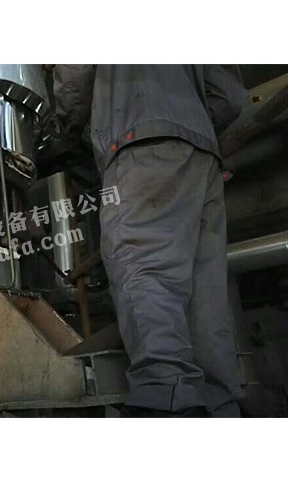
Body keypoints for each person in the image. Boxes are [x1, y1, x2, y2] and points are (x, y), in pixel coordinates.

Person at [52, 65, 248, 417]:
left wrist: (69, 128)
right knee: (206, 295)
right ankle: (220, 406)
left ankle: (167, 400)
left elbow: (74, 75)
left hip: (138, 145)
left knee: (143, 267)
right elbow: (232, 97)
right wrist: (185, 120)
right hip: (203, 157)